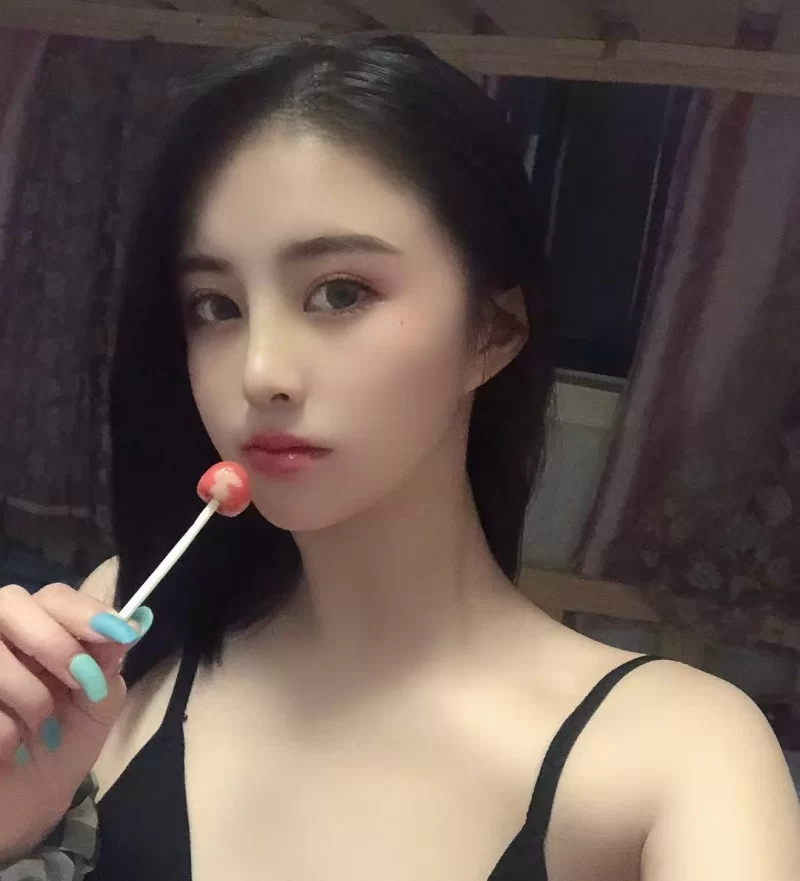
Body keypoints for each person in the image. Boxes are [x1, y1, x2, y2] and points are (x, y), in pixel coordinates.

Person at [0, 34, 798, 881]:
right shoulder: (122, 632)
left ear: (493, 331)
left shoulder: (681, 754)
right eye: (216, 305)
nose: (260, 372)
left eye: (340, 292)